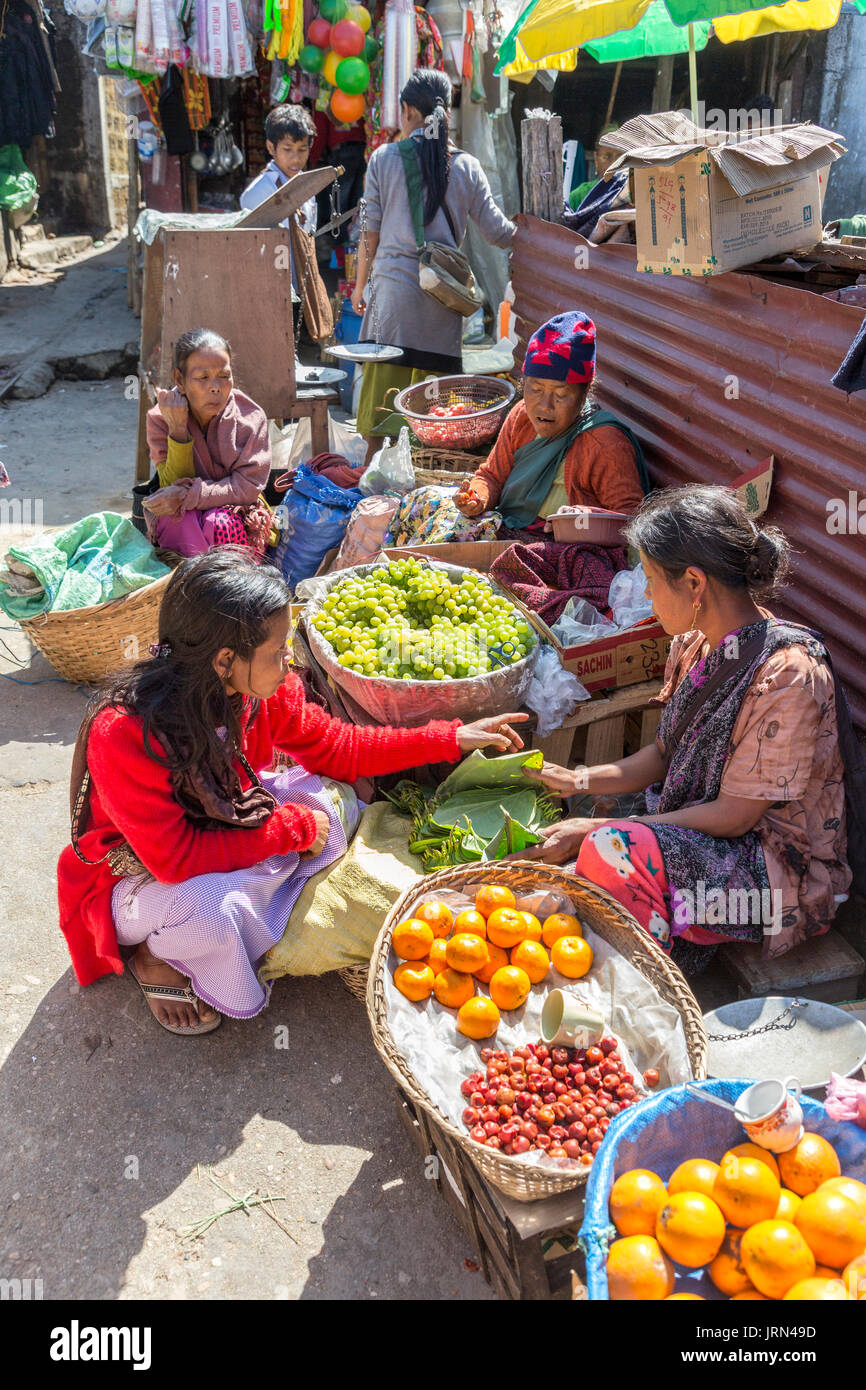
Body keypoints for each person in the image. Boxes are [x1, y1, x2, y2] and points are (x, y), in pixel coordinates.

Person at [57, 548, 528, 1035]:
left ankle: (254, 912)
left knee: (331, 794)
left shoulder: (255, 692)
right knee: (212, 910)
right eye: (278, 649)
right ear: (224, 660)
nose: (289, 662)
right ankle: (153, 954)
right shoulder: (125, 733)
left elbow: (340, 748)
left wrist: (451, 738)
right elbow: (175, 860)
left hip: (226, 830)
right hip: (139, 877)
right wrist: (293, 831)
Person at [515, 485, 851, 972]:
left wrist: (604, 825)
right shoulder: (695, 645)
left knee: (609, 847)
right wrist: (576, 779)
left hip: (773, 869)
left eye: (651, 578)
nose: (646, 593)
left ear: (694, 583)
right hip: (706, 834)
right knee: (583, 847)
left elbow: (736, 816)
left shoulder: (788, 676)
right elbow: (662, 754)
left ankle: (650, 977)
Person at [351, 68, 515, 452]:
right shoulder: (468, 166)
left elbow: (369, 231)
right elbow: (499, 233)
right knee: (438, 427)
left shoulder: (384, 159)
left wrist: (360, 285)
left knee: (379, 425)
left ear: (407, 110)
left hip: (391, 306)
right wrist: (543, 232)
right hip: (441, 307)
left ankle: (377, 495)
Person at [455, 311, 647, 535]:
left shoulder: (604, 443)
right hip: (510, 522)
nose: (545, 406)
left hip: (561, 543)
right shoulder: (521, 416)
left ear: (584, 394)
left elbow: (632, 518)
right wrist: (477, 498)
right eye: (535, 389)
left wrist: (582, 518)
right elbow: (491, 476)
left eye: (560, 394)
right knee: (429, 503)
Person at [144, 329, 274, 558]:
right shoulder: (160, 418)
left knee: (218, 523)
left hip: (235, 510)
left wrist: (188, 496)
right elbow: (171, 483)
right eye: (203, 378)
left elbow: (247, 487)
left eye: (224, 376)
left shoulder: (250, 418)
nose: (216, 387)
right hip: (183, 513)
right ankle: (187, 585)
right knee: (178, 520)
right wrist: (178, 430)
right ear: (179, 380)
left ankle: (226, 587)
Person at [239, 103, 326, 342]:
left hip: (300, 290)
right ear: (270, 147)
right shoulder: (258, 193)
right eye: (287, 149)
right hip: (268, 292)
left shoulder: (307, 187)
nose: (296, 158)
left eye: (302, 150)